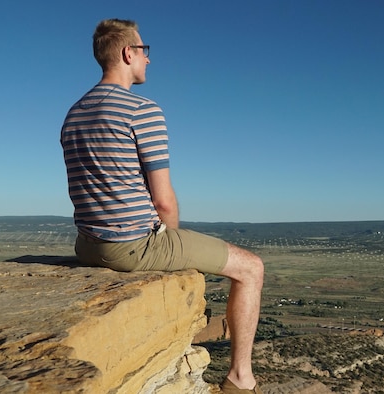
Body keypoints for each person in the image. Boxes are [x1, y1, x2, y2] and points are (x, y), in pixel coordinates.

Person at [60, 19, 264, 394]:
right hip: (133, 245)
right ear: (127, 53)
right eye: (144, 50)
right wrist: (170, 240)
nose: (148, 60)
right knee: (251, 268)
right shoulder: (142, 110)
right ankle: (241, 378)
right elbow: (163, 199)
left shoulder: (74, 113)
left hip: (86, 245)